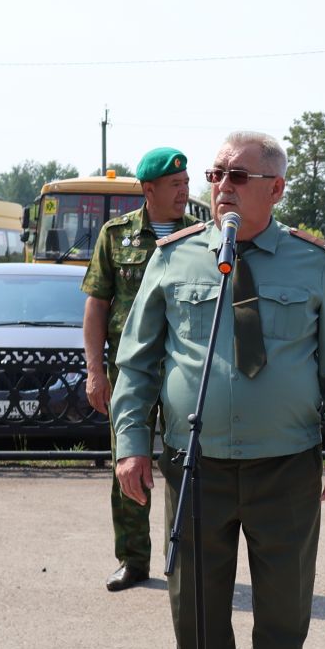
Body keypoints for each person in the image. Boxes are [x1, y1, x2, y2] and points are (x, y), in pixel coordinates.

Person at [110, 130, 325, 649]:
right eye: (216, 172)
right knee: (195, 607)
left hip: (286, 464)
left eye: (238, 175)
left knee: (283, 610)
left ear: (275, 190)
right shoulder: (176, 257)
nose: (221, 184)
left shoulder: (314, 265)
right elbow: (137, 362)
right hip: (196, 461)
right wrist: (130, 445)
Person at [82, 146, 190, 592]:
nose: (184, 191)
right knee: (128, 463)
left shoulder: (202, 235)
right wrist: (95, 370)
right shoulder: (115, 235)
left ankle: (187, 557)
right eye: (174, 185)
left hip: (186, 369)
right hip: (131, 371)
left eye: (186, 183)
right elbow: (97, 306)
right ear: (149, 189)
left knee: (189, 464)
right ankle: (133, 558)